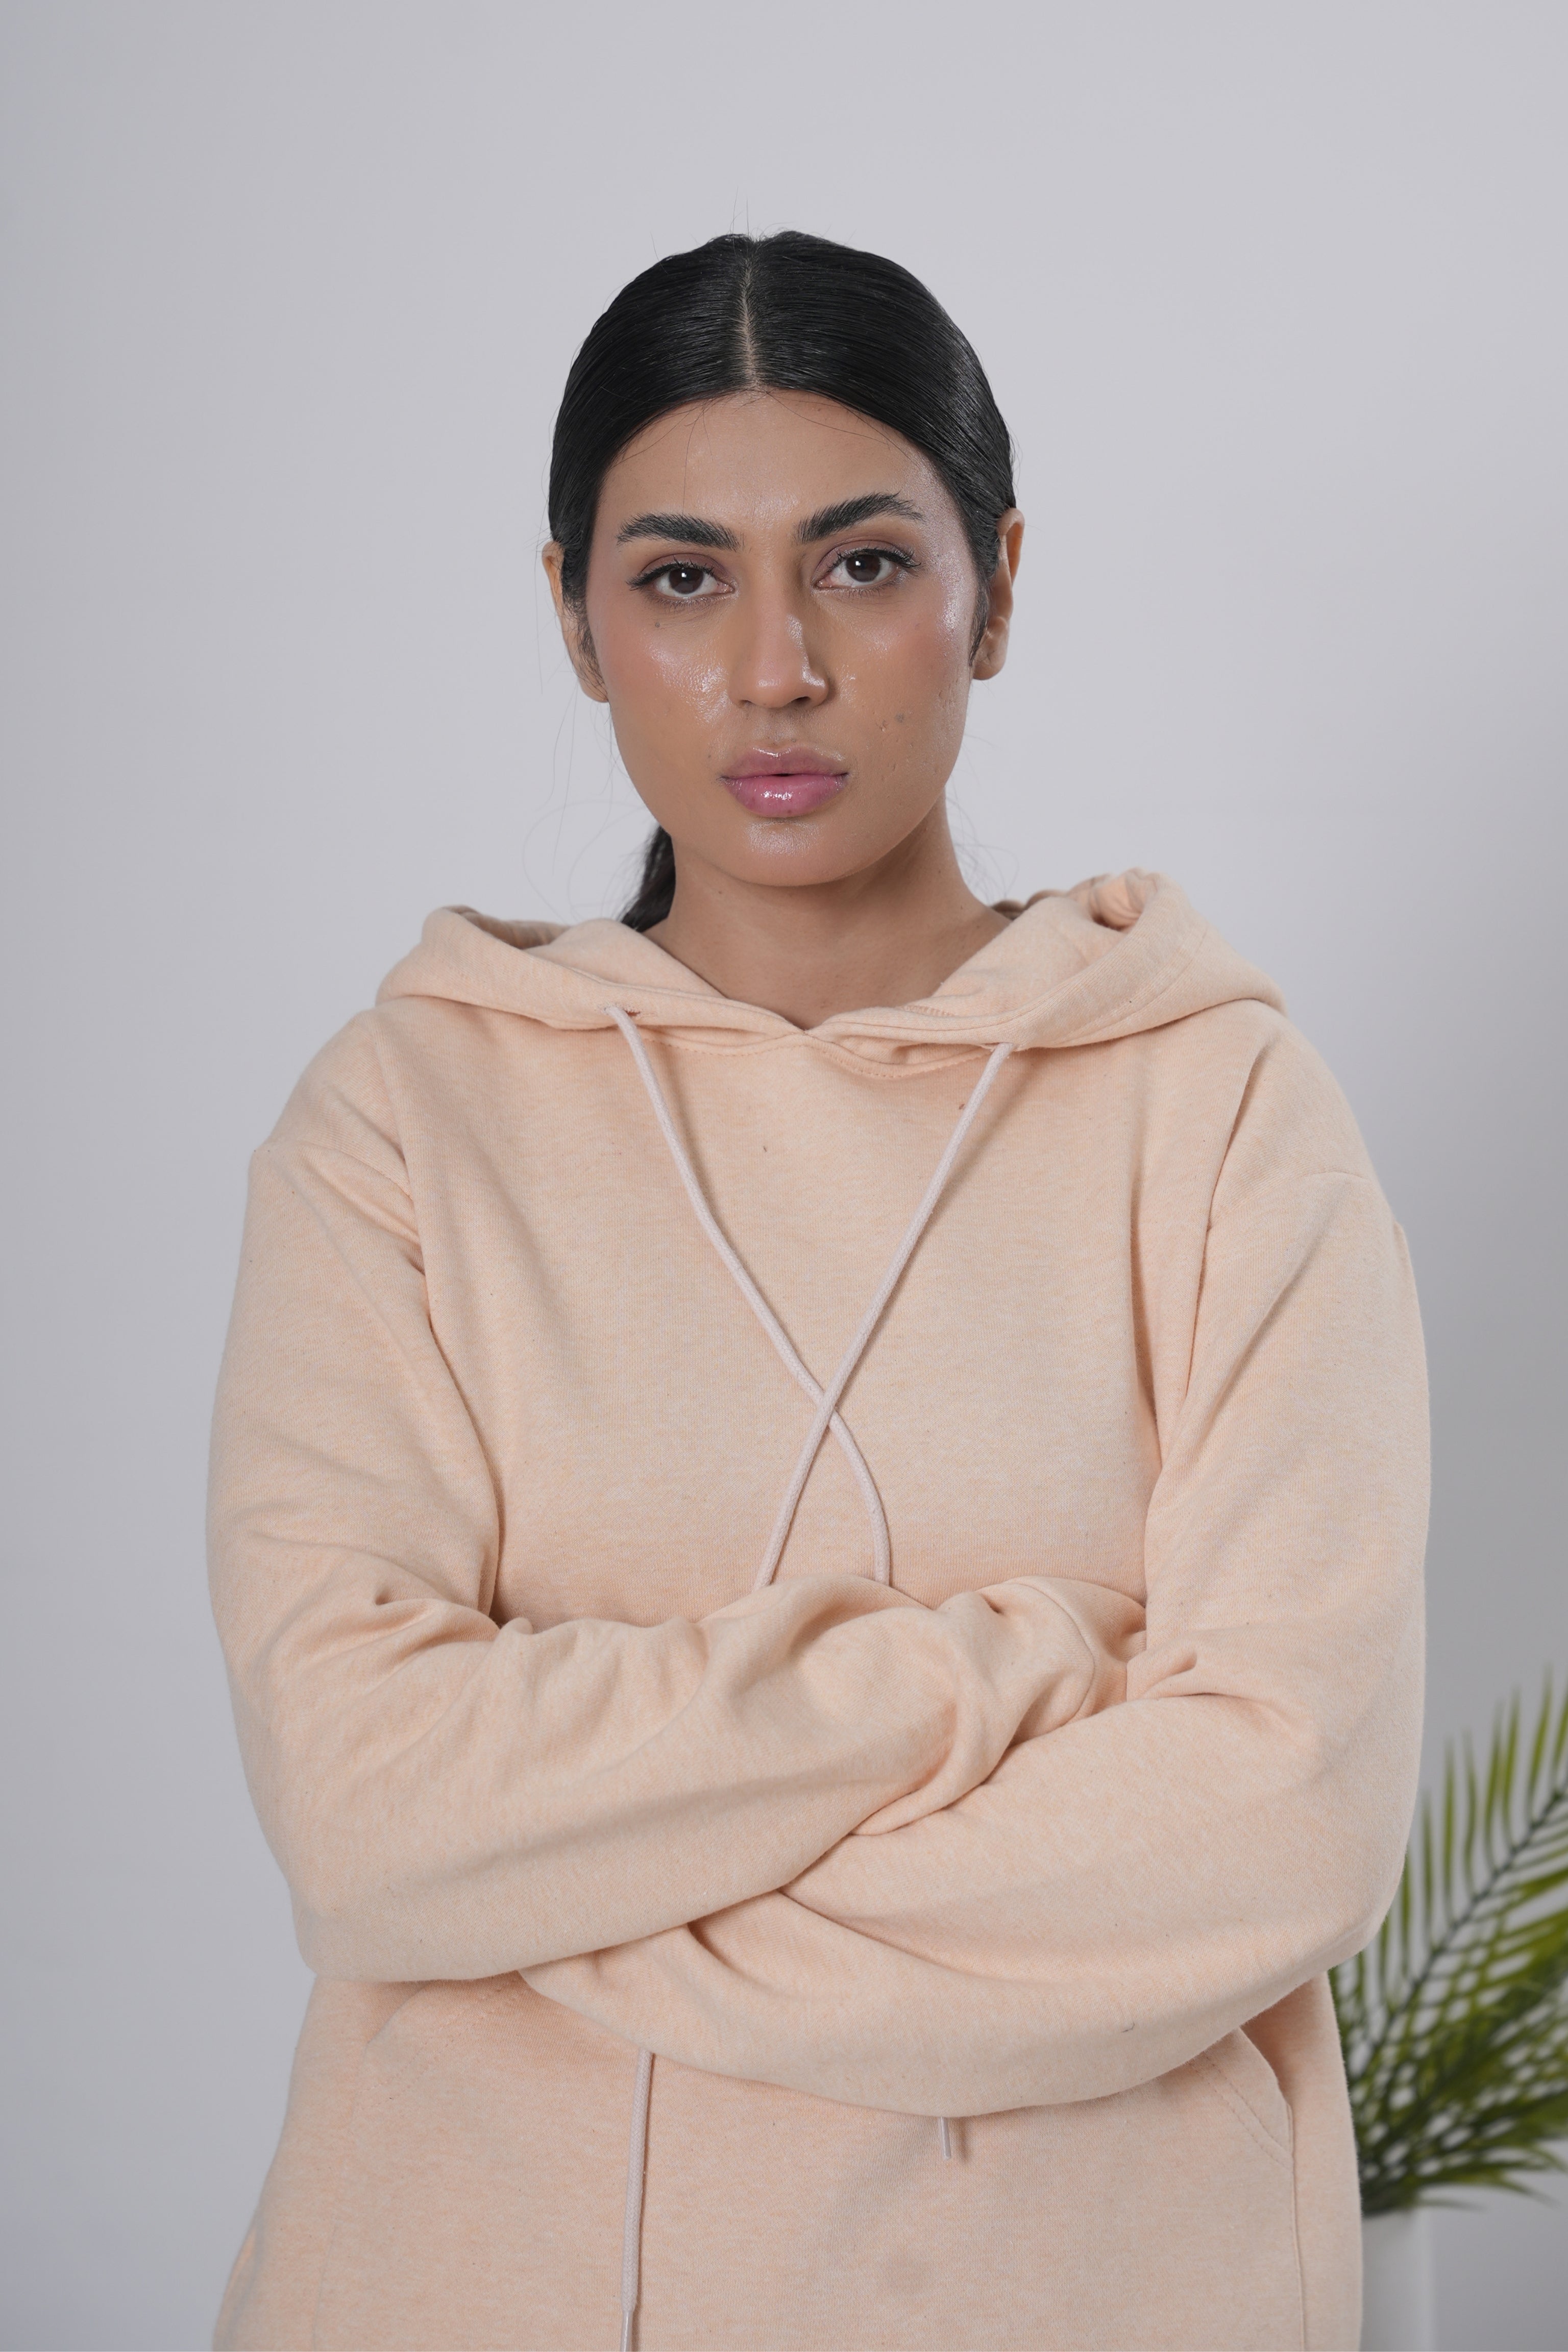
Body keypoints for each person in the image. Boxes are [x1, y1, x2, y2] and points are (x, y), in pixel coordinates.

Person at [208, 230, 1427, 2352]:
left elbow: (1279, 1814)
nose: (773, 670)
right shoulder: (401, 1123)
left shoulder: (1221, 1110)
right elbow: (363, 1806)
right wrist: (1000, 1674)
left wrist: (559, 1895)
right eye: (682, 579)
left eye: (862, 565)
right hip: (470, 2285)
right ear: (574, 619)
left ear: (999, 587)